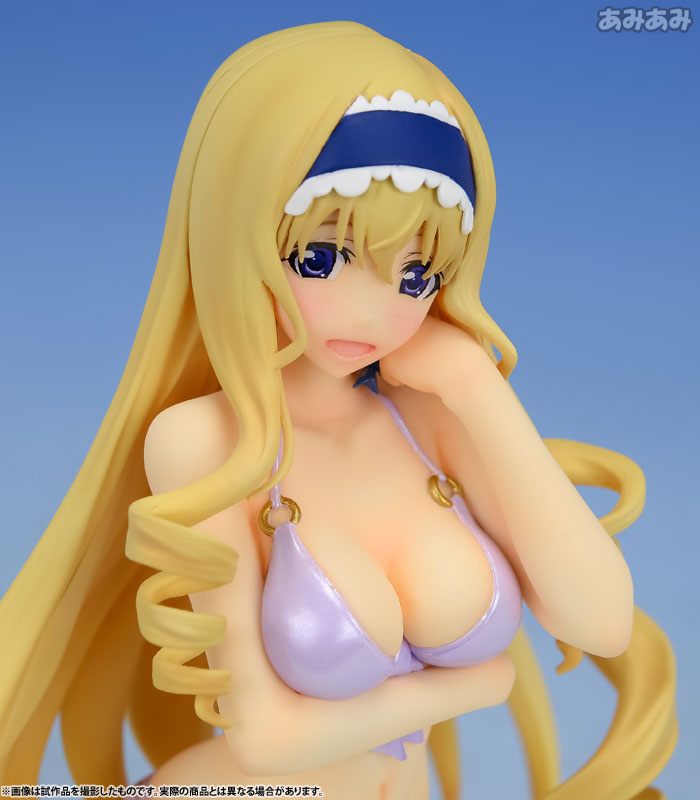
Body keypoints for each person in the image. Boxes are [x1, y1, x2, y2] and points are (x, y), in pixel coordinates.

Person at [0, 21, 677, 800]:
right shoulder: (204, 441)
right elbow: (264, 740)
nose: (373, 313)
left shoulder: (430, 418)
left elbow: (601, 623)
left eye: (415, 275)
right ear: (237, 236)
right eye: (320, 258)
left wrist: (478, 387)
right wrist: (474, 685)